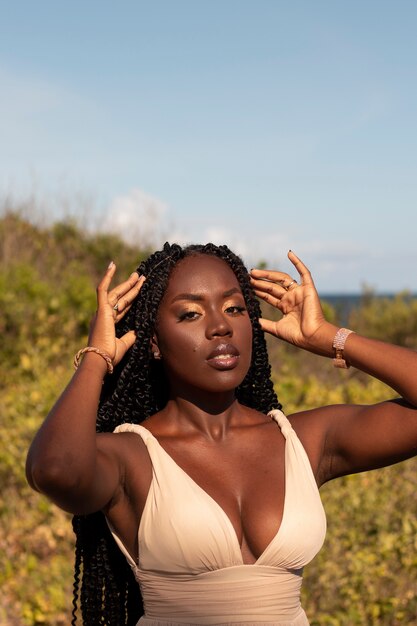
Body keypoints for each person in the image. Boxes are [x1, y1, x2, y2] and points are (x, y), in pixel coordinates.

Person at [26, 242, 417, 626]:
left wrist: (330, 335)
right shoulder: (131, 457)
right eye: (191, 314)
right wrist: (97, 357)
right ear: (155, 343)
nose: (220, 326)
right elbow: (56, 469)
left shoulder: (302, 440)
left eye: (235, 308)